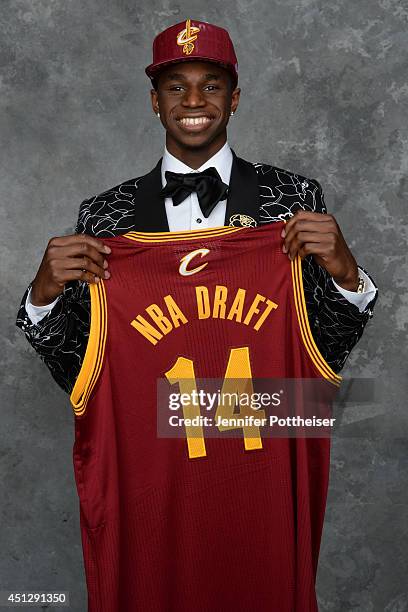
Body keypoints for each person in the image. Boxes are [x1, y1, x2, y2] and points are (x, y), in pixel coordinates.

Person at [15, 18, 378, 610]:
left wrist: (345, 274)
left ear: (234, 98)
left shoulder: (292, 201)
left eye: (210, 85)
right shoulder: (107, 215)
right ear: (154, 101)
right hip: (153, 487)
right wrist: (44, 295)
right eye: (175, 86)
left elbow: (316, 358)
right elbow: (85, 371)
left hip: (255, 482)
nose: (192, 101)